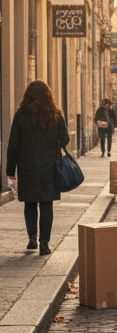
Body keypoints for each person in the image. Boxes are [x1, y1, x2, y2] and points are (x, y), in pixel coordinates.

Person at [5, 81, 71, 256]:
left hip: (27, 166)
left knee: (30, 202)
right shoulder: (55, 115)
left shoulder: (20, 116)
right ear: (49, 96)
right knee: (46, 203)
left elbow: (13, 144)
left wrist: (10, 169)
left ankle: (32, 238)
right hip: (49, 166)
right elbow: (65, 140)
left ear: (27, 96)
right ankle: (44, 243)